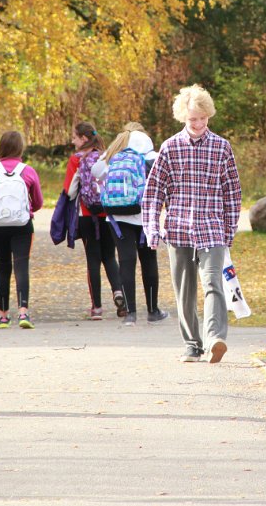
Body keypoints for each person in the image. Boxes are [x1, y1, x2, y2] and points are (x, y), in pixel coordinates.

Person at [142, 85, 241, 363]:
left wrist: (229, 229)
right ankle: (192, 345)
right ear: (183, 117)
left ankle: (214, 339)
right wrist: (152, 228)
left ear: (209, 115)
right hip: (179, 229)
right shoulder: (170, 147)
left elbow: (232, 192)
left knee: (213, 283)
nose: (198, 124)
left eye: (202, 118)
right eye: (192, 119)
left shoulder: (221, 147)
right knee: (185, 291)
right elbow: (153, 192)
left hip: (212, 229)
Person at [92, 122, 170, 325]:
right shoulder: (151, 156)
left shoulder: (114, 155)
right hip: (145, 216)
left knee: (126, 261)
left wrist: (109, 155)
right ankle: (153, 311)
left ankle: (130, 314)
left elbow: (95, 171)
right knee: (148, 260)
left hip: (117, 218)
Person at [0, 130, 43, 329]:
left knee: (3, 266)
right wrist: (27, 209)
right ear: (20, 148)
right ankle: (23, 312)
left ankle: (3, 315)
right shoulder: (28, 171)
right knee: (21, 266)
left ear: (1, 147)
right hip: (22, 225)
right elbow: (38, 202)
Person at [65, 121, 125, 320]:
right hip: (108, 214)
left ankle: (97, 308)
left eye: (75, 137)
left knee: (93, 259)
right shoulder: (107, 156)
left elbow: (69, 191)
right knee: (109, 256)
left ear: (84, 138)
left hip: (86, 215)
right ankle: (119, 294)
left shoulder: (77, 159)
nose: (73, 141)